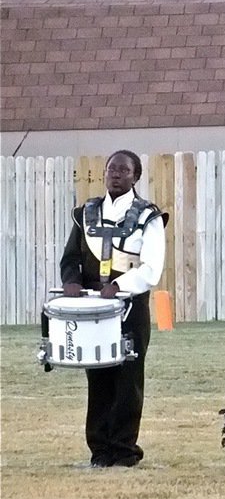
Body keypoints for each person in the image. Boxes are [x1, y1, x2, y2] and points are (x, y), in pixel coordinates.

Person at [59, 150, 168, 467]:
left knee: (128, 378)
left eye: (123, 169)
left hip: (130, 308)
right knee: (99, 376)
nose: (116, 174)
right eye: (111, 169)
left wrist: (119, 286)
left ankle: (123, 448)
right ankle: (100, 449)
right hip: (94, 308)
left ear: (136, 176)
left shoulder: (148, 216)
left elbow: (152, 267)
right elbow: (71, 258)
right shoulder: (87, 212)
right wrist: (72, 281)